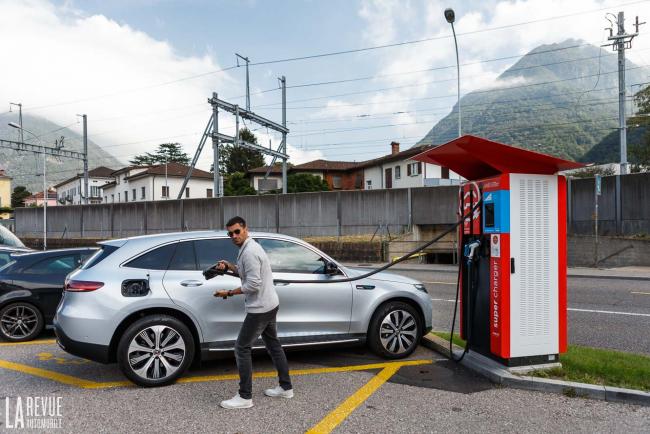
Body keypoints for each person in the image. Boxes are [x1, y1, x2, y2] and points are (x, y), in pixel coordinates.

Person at [213, 216, 293, 409]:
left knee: (241, 348)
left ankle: (245, 396)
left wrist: (229, 293)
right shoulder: (248, 248)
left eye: (237, 231)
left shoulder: (249, 252)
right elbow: (246, 272)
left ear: (245, 229)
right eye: (230, 233)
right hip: (269, 304)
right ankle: (286, 388)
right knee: (273, 345)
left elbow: (253, 285)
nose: (233, 236)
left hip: (260, 308)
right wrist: (230, 266)